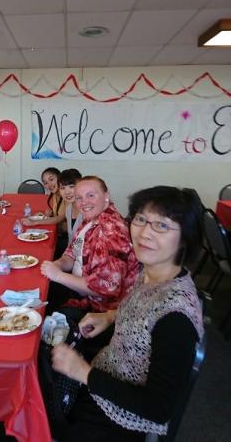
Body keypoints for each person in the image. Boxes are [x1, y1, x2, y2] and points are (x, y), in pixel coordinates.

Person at [50, 186, 204, 441]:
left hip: (117, 418)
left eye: (162, 226)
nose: (144, 233)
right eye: (141, 220)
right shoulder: (152, 274)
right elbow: (142, 311)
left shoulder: (177, 317)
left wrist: (82, 372)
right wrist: (110, 316)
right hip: (104, 374)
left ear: (185, 238)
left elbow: (157, 408)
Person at [41, 176, 139, 315]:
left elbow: (106, 287)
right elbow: (72, 254)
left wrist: (58, 276)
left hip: (97, 308)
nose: (84, 202)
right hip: (77, 286)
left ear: (106, 196)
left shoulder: (112, 231)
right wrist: (57, 265)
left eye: (91, 195)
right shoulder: (90, 219)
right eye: (79, 197)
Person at [23, 168, 83, 258]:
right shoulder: (69, 207)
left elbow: (60, 219)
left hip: (78, 255)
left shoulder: (86, 211)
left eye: (71, 186)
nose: (67, 191)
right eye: (63, 188)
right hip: (73, 253)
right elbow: (74, 247)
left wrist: (36, 222)